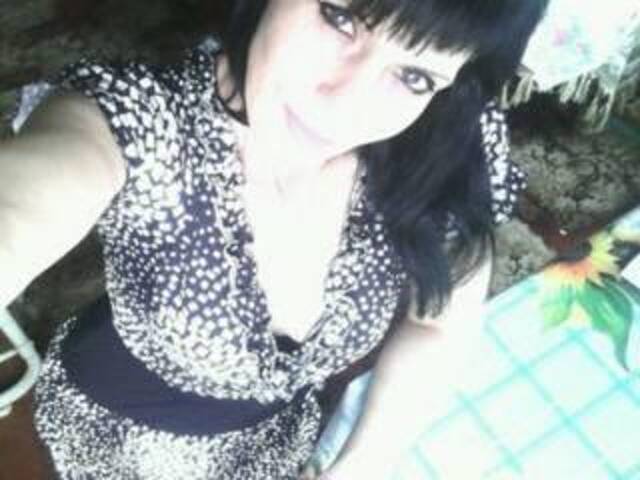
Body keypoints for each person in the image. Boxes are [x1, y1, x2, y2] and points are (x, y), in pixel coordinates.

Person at [0, 0, 549, 478]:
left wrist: (360, 466)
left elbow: (439, 324)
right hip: (117, 437)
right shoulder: (138, 122)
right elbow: (25, 202)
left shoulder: (446, 138)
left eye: (414, 76)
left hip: (280, 440)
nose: (345, 104)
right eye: (340, 18)